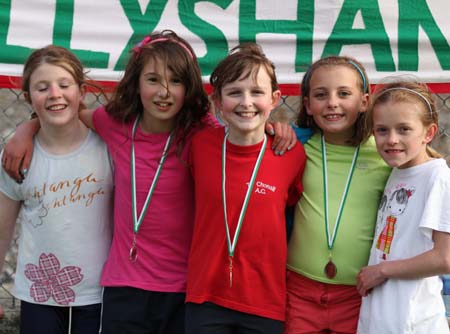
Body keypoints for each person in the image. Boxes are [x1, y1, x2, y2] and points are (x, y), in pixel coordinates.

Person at [1, 30, 296, 333]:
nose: (164, 92)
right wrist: (27, 127)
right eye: (153, 80)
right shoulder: (113, 124)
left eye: (176, 81)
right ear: (136, 83)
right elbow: (68, 115)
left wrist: (280, 129)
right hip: (124, 286)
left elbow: (245, 134)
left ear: (190, 87)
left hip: (183, 289)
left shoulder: (203, 134)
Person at [185, 43, 307, 334]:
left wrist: (283, 128)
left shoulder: (290, 152)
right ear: (217, 101)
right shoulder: (200, 145)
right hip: (206, 297)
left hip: (264, 302)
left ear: (275, 98)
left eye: (256, 92)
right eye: (235, 92)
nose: (246, 102)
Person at [0, 46, 113, 334]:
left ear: (81, 91)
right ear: (27, 97)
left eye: (64, 85)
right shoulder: (16, 158)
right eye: (42, 87)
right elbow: (2, 228)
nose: (54, 94)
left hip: (100, 293)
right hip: (39, 294)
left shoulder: (110, 148)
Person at [284, 56, 391, 334]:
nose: (332, 102)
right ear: (308, 104)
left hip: (360, 292)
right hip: (298, 290)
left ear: (365, 101)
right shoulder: (296, 147)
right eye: (321, 95)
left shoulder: (385, 153)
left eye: (344, 93)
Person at [356, 81, 450, 334]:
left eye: (404, 129)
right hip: (381, 317)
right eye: (382, 130)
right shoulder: (398, 172)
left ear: (428, 133)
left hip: (412, 322)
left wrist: (382, 270)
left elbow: (445, 258)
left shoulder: (438, 177)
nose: (392, 139)